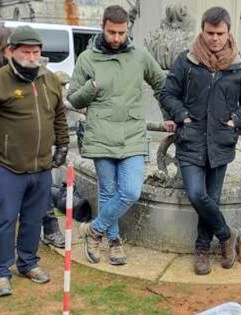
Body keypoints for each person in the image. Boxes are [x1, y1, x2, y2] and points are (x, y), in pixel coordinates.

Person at [160, 7, 241, 275]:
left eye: (220, 33)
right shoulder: (187, 60)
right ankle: (227, 235)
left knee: (211, 199)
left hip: (221, 142)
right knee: (196, 193)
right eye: (209, 33)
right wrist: (181, 115)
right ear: (202, 31)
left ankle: (202, 249)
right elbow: (168, 93)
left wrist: (236, 119)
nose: (214, 39)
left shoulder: (239, 64)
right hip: (191, 140)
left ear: (228, 33)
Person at [0, 26, 69, 297]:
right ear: (10, 52)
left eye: (36, 52)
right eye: (25, 51)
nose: (31, 56)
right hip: (6, 167)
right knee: (3, 220)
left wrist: (62, 144)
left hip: (41, 166)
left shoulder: (49, 80)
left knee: (34, 218)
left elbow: (59, 116)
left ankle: (28, 262)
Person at [69, 5, 167, 266]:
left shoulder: (140, 56)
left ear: (128, 30)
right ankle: (113, 242)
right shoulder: (87, 59)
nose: (116, 38)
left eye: (121, 33)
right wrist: (91, 88)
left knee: (131, 191)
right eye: (111, 32)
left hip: (132, 134)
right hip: (101, 134)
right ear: (102, 27)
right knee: (107, 192)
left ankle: (93, 230)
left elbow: (161, 83)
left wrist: (170, 116)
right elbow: (73, 99)